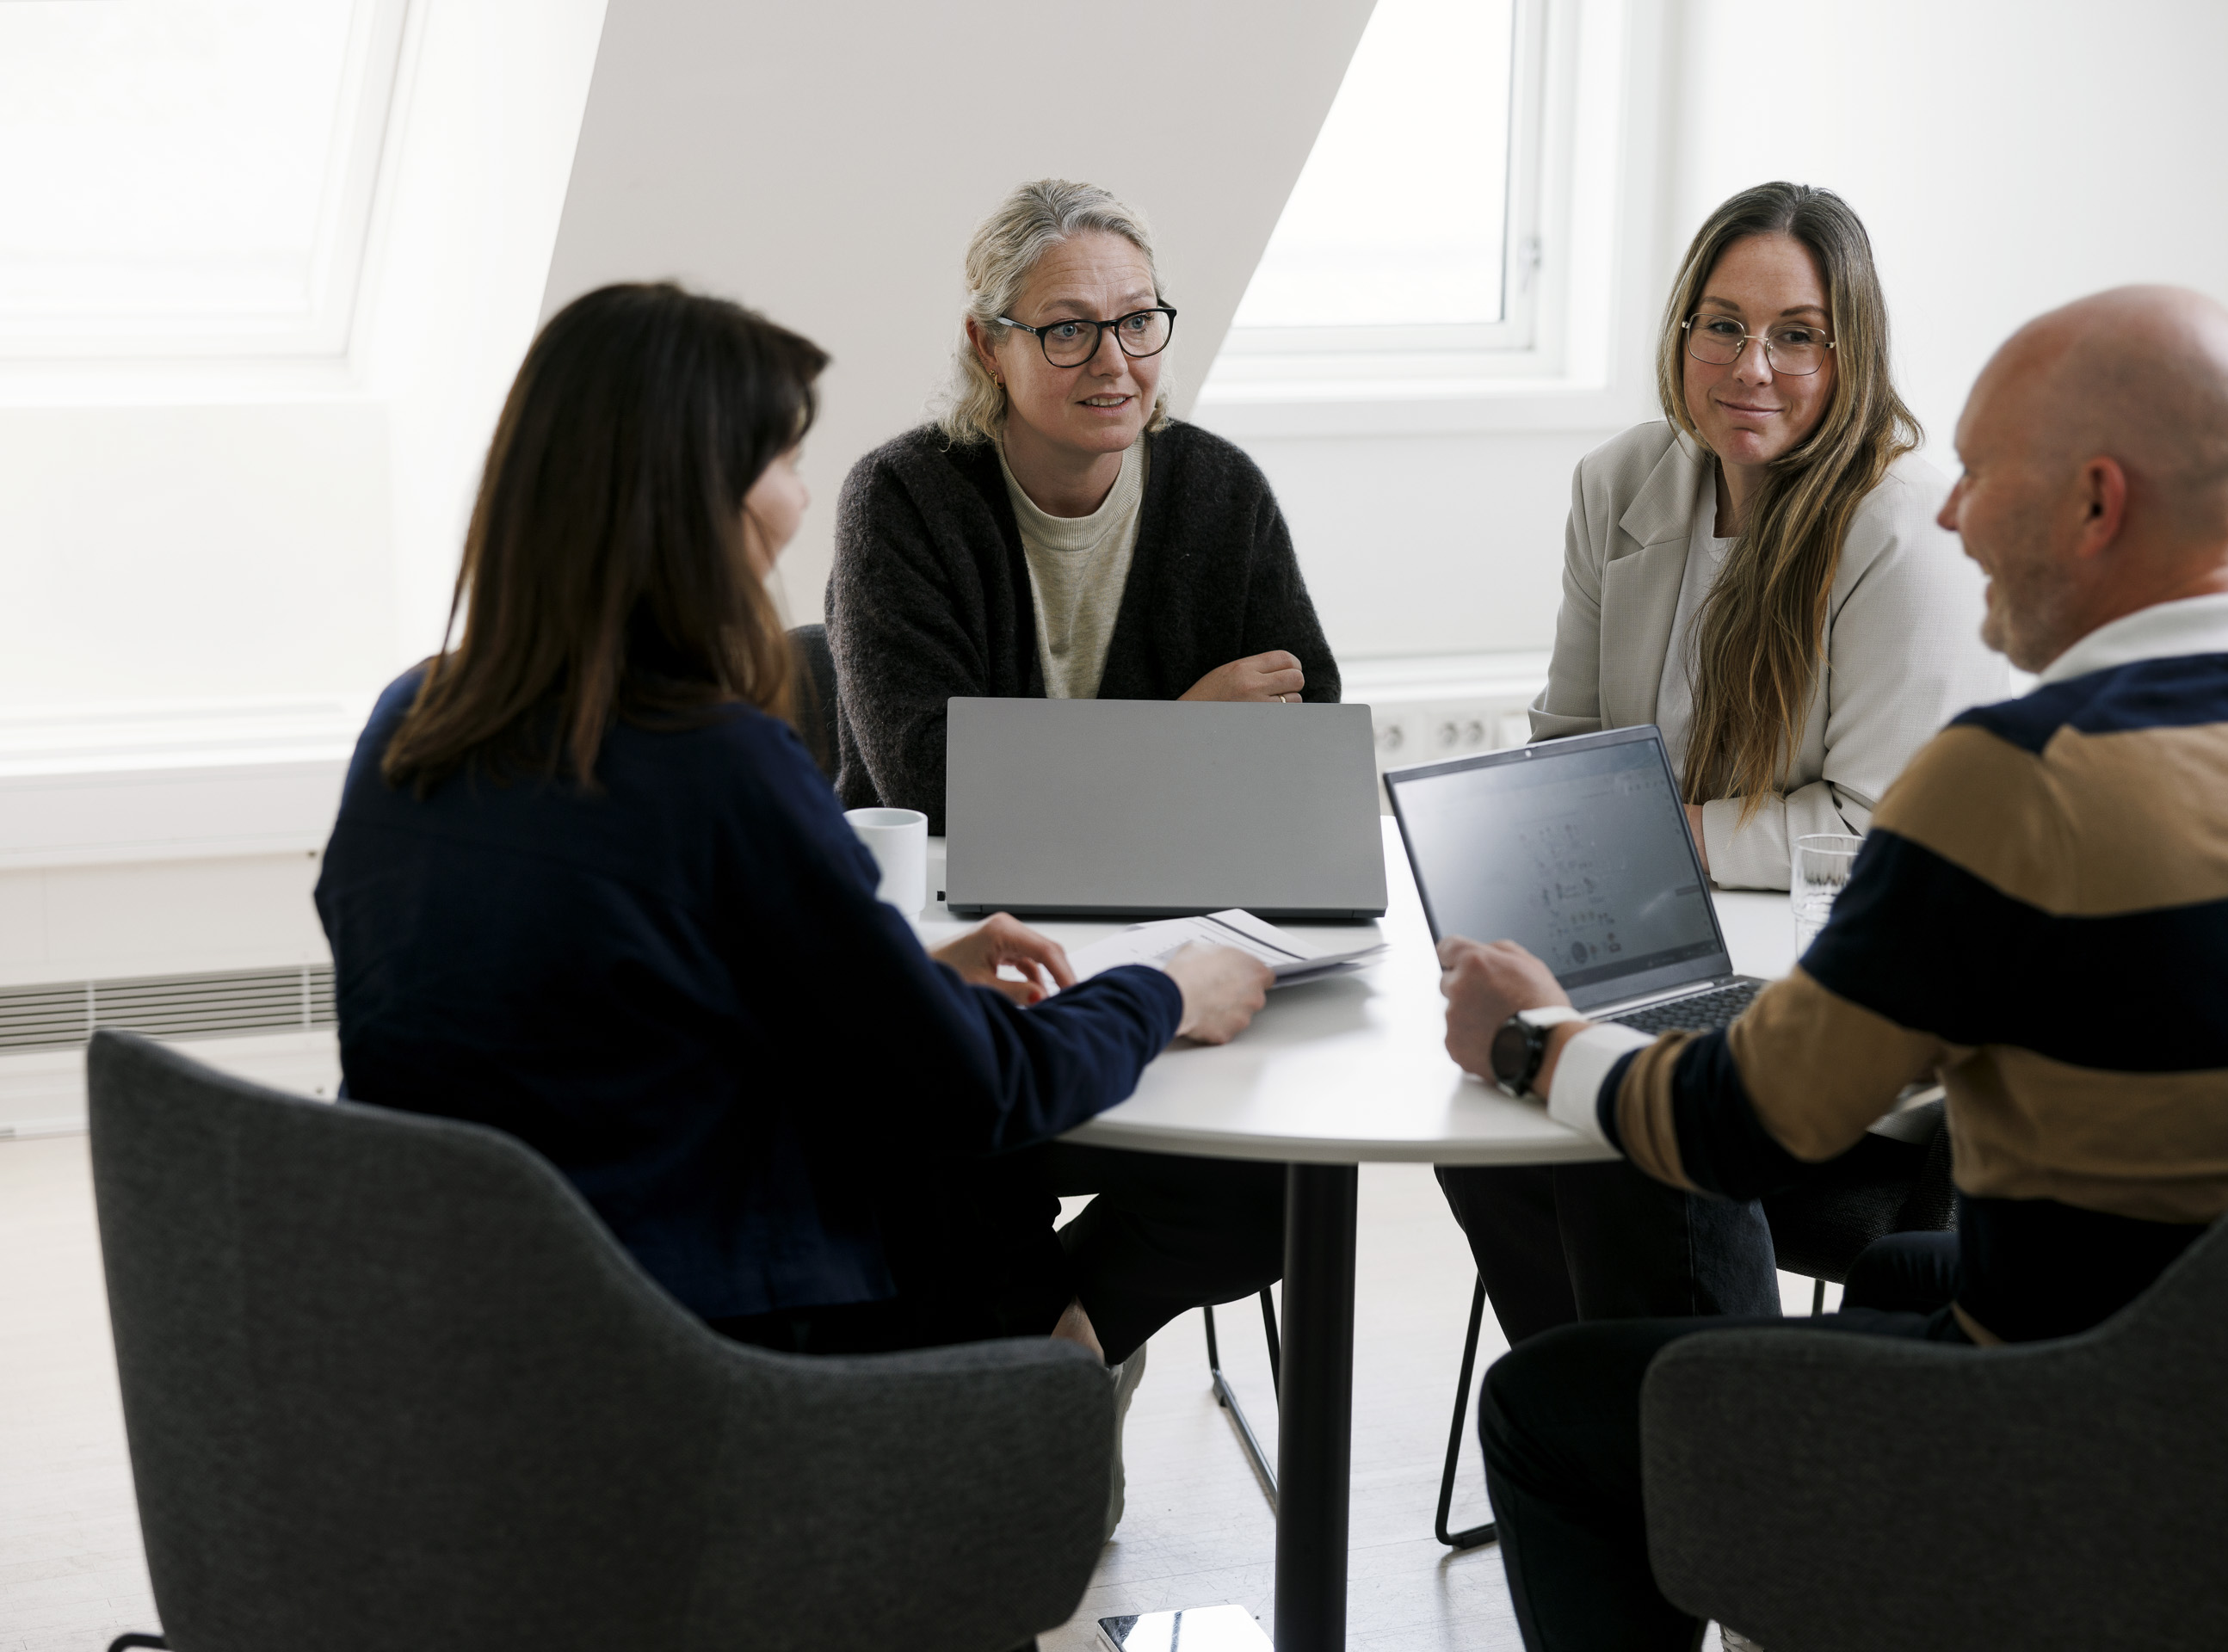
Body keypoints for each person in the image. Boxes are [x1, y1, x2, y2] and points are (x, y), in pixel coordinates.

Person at [1442, 285, 2228, 1650]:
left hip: (2095, 1437)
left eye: (1983, 475)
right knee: (1896, 1269)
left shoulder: (2015, 780)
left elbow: (1748, 1127)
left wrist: (1531, 1042)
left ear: (2096, 505)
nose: (1947, 514)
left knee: (1548, 1409)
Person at [314, 284, 1275, 1421]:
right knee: (1121, 1175)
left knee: (960, 1156)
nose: (800, 497)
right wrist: (1163, 993)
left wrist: (903, 980)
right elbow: (978, 1088)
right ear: (698, 502)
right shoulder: (713, 760)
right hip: (716, 1363)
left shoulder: (410, 721)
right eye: (782, 461)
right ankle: (1046, 1390)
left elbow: (590, 1014)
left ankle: (1042, 1381)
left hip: (465, 1334)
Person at [1440, 182, 2009, 1348]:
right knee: (1482, 1100)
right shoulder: (1623, 483)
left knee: (1609, 1109)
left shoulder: (1904, 530)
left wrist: (1659, 836)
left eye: (1797, 335)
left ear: (1849, 353)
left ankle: (1696, 1458)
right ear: (1681, 335)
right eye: (1723, 324)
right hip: (1652, 952)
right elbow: (1571, 747)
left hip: (1846, 1039)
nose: (1752, 364)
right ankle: (1600, 1425)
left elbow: (1879, 832)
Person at [828, 178, 1341, 834]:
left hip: (1174, 876)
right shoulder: (900, 498)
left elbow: (1310, 732)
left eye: (1137, 322)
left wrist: (1059, 768)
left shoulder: (1223, 488)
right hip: (955, 904)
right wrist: (1180, 733)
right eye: (1069, 330)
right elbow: (936, 784)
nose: (1115, 362)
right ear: (989, 346)